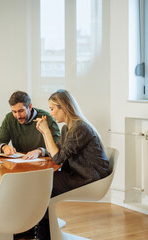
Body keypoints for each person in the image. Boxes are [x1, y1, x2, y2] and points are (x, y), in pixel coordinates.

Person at [34, 89, 110, 240]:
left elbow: (58, 159)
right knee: (42, 183)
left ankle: (41, 234)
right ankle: (41, 231)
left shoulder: (79, 128)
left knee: (42, 184)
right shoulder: (67, 128)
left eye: (52, 109)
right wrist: (44, 133)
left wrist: (47, 132)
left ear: (63, 106)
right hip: (79, 174)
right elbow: (55, 153)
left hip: (89, 178)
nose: (51, 114)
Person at [0, 90, 60, 159]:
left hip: (43, 163)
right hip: (21, 162)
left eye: (21, 111)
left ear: (30, 107)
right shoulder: (9, 118)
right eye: (14, 111)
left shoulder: (47, 119)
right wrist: (4, 147)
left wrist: (39, 151)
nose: (18, 116)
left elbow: (57, 148)